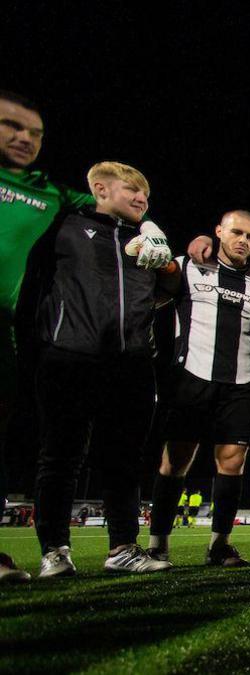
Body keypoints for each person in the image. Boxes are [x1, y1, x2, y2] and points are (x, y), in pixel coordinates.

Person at [32, 161, 174, 577]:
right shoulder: (64, 226)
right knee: (60, 456)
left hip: (131, 362)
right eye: (132, 189)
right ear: (99, 188)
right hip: (69, 356)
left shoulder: (145, 239)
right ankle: (55, 549)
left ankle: (123, 548)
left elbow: (172, 291)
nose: (141, 199)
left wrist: (166, 262)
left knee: (125, 460)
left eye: (146, 195)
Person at [0, 89, 97, 584]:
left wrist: (160, 230)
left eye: (34, 132)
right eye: (11, 126)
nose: (24, 138)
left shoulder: (50, 193)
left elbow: (111, 201)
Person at [146, 210, 250, 567]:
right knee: (176, 461)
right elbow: (154, 292)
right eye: (237, 233)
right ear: (218, 231)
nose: (243, 241)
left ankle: (220, 545)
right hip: (191, 378)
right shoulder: (187, 266)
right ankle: (158, 544)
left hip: (240, 383)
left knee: (232, 463)